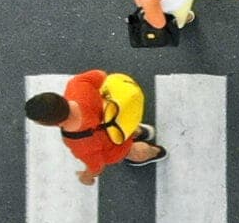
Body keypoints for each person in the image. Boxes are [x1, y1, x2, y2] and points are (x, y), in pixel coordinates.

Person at [26, 71, 166, 183]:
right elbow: (101, 76)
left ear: (50, 123)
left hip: (115, 145)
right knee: (126, 129)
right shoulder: (76, 85)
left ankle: (156, 152)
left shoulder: (78, 142)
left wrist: (87, 177)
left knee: (134, 150)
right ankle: (143, 132)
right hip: (118, 117)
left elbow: (96, 166)